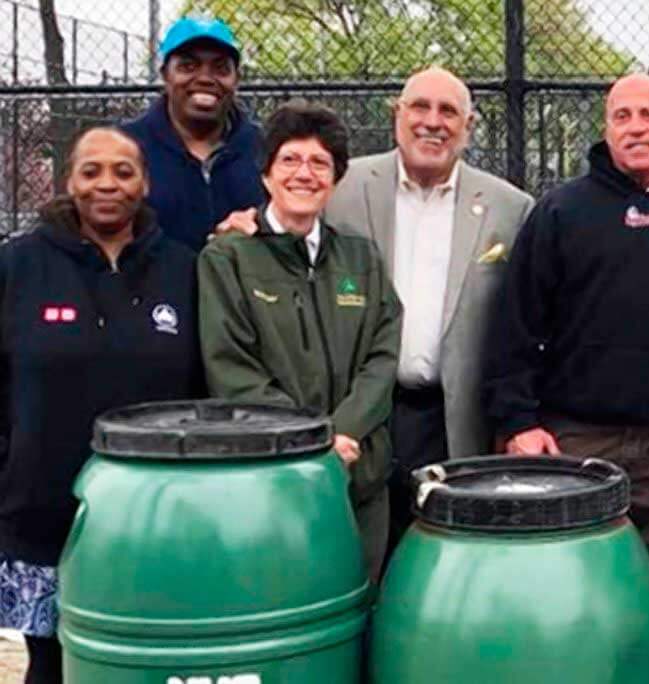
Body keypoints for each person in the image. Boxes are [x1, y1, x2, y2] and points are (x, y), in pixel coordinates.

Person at [485, 73, 649, 605]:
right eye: (622, 116)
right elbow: (515, 321)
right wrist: (518, 421)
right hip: (576, 436)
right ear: (606, 129)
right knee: (573, 587)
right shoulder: (560, 210)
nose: (636, 127)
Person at [0, 127, 203, 683]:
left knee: (143, 662)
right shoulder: (18, 266)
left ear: (145, 183)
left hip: (156, 517)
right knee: (53, 663)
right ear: (70, 182)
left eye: (123, 171)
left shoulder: (184, 269)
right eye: (91, 171)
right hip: (44, 514)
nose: (106, 184)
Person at [322, 67, 534, 545]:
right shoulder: (341, 187)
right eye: (419, 107)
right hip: (361, 414)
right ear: (397, 113)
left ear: (469, 126)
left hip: (454, 419)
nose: (432, 122)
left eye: (448, 111)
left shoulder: (510, 208)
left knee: (446, 556)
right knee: (360, 551)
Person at [198, 100, 401, 583]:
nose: (304, 173)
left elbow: (383, 352)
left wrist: (346, 432)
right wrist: (312, 441)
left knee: (359, 612)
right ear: (266, 174)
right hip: (275, 478)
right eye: (290, 159)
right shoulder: (227, 258)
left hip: (359, 478)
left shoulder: (360, 257)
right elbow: (232, 368)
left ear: (335, 179)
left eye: (320, 163)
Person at [122, 15, 263, 252]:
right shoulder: (125, 146)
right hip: (150, 288)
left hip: (243, 288)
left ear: (236, 79)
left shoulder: (265, 147)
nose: (205, 78)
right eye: (188, 66)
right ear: (165, 75)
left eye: (220, 68)